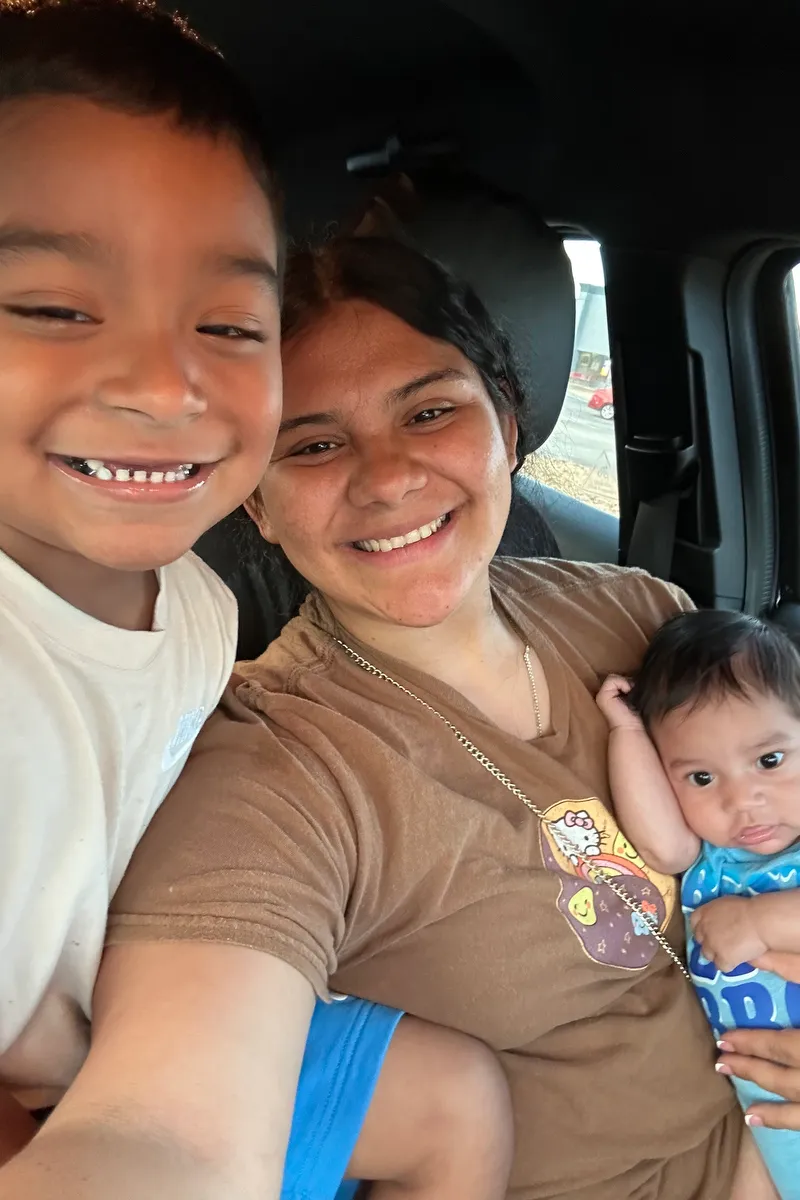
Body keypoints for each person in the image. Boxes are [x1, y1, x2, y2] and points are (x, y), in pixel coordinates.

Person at [6, 234, 800, 1198]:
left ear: (508, 425)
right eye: (312, 442)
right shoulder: (272, 764)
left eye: (429, 411)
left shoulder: (642, 616)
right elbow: (164, 1126)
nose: (385, 478)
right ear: (253, 498)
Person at [0, 5, 513, 1199]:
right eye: (54, 308)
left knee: (456, 1099)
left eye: (228, 324)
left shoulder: (195, 611)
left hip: (127, 1020)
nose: (166, 383)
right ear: (270, 504)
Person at [597, 609, 800, 1199]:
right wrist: (628, 732)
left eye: (769, 761)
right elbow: (660, 844)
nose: (745, 801)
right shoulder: (710, 858)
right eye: (701, 779)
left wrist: (759, 920)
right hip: (761, 1100)